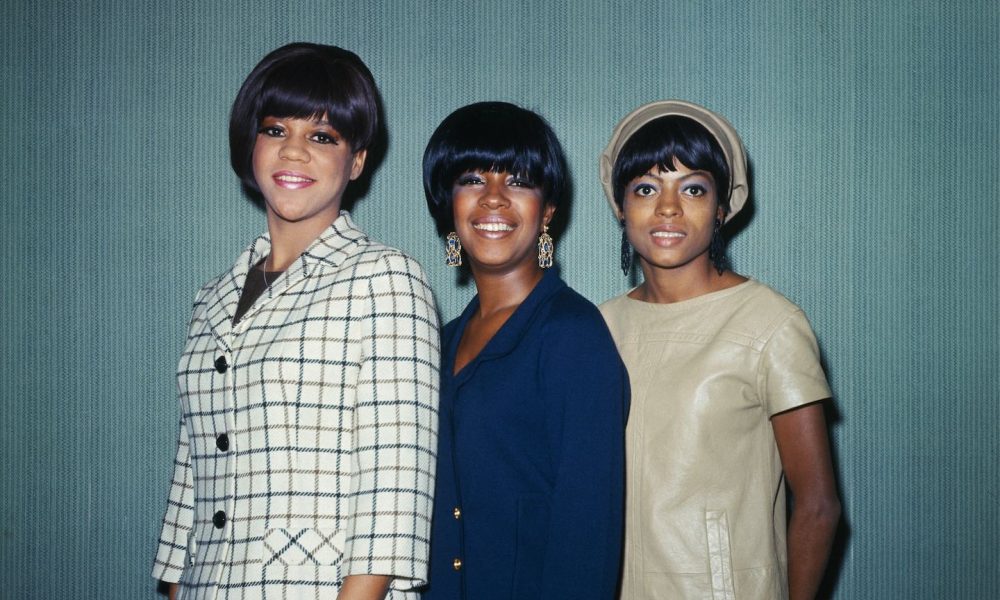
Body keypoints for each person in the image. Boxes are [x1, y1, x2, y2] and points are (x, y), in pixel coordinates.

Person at [151, 43, 440, 600]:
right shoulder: (211, 298)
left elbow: (394, 490)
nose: (295, 152)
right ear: (250, 144)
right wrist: (174, 584)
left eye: (323, 136)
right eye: (276, 129)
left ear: (356, 160)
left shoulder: (385, 277)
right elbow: (191, 472)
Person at [598, 100, 841, 600]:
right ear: (621, 205)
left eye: (692, 189)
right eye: (646, 187)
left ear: (723, 206)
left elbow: (818, 505)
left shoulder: (770, 324)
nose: (668, 208)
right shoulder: (597, 329)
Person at [419, 102, 629, 600]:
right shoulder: (435, 343)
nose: (493, 199)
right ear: (448, 205)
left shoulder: (573, 335)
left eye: (517, 180)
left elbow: (589, 536)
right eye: (472, 179)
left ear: (548, 211)